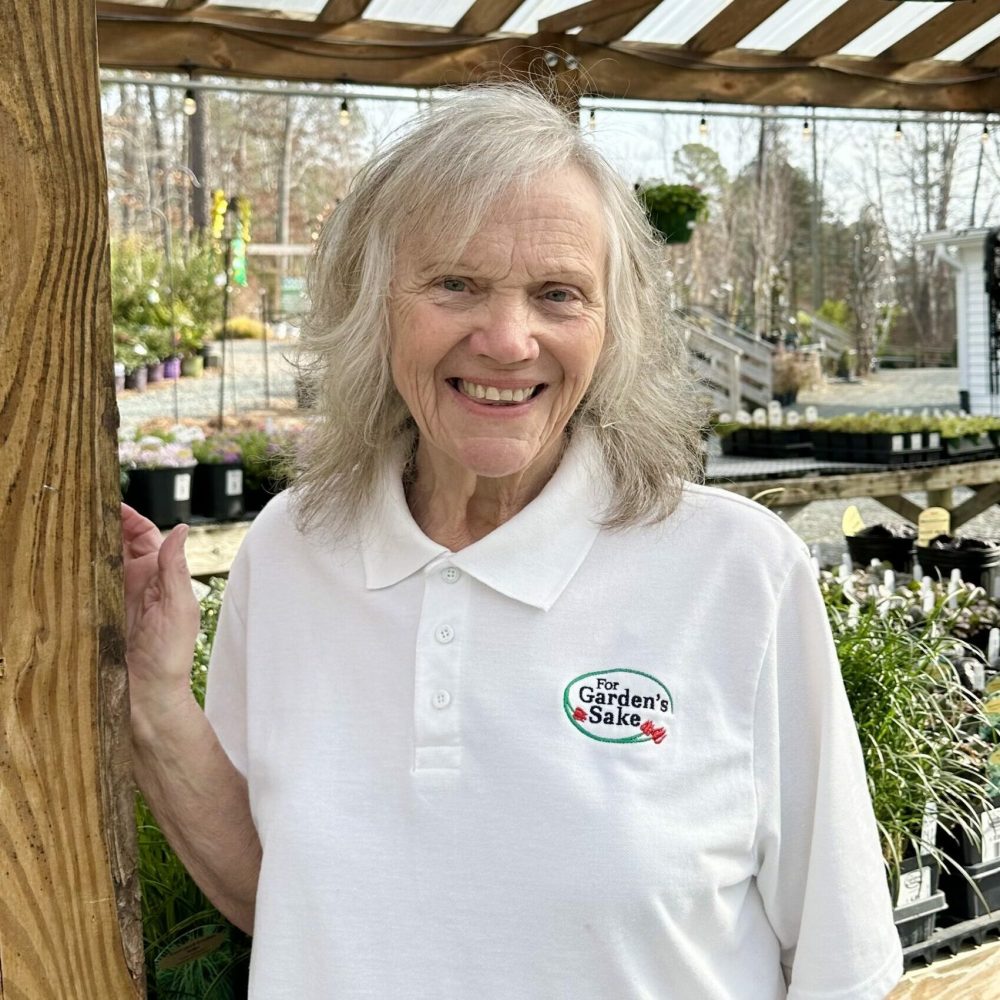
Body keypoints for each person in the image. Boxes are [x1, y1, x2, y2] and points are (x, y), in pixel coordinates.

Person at [123, 83, 903, 999]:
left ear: (613, 328)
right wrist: (155, 694)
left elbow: (841, 964)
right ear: (372, 306)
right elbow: (286, 896)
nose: (506, 338)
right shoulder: (293, 551)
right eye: (455, 283)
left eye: (558, 293)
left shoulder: (737, 572)